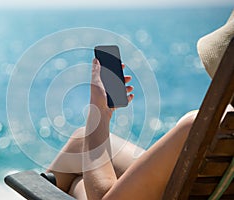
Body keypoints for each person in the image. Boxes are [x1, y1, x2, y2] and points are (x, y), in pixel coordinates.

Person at [44, 10, 234, 200]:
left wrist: (99, 112)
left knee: (78, 183)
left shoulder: (202, 126)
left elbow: (105, 197)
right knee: (80, 141)